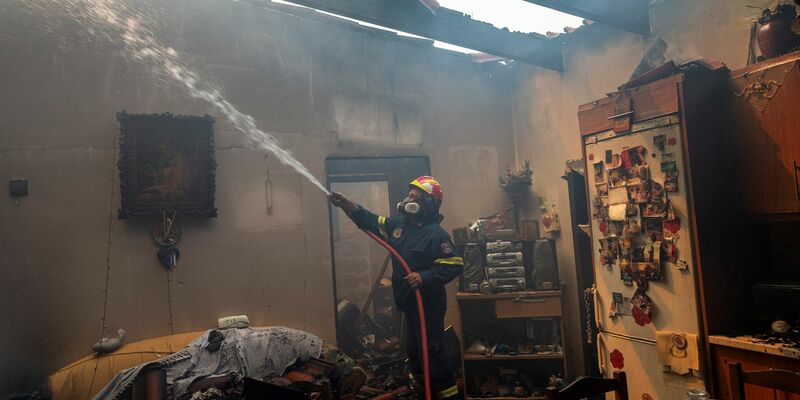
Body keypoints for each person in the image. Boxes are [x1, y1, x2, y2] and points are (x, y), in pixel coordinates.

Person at [328, 176, 463, 400]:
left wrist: (425, 277)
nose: (408, 199)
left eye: (414, 197)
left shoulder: (436, 235)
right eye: (408, 195)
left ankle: (448, 395)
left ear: (427, 204)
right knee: (415, 356)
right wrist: (346, 204)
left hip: (427, 308)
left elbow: (454, 263)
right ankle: (424, 392)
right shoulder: (400, 226)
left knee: (433, 356)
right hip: (410, 306)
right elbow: (369, 221)